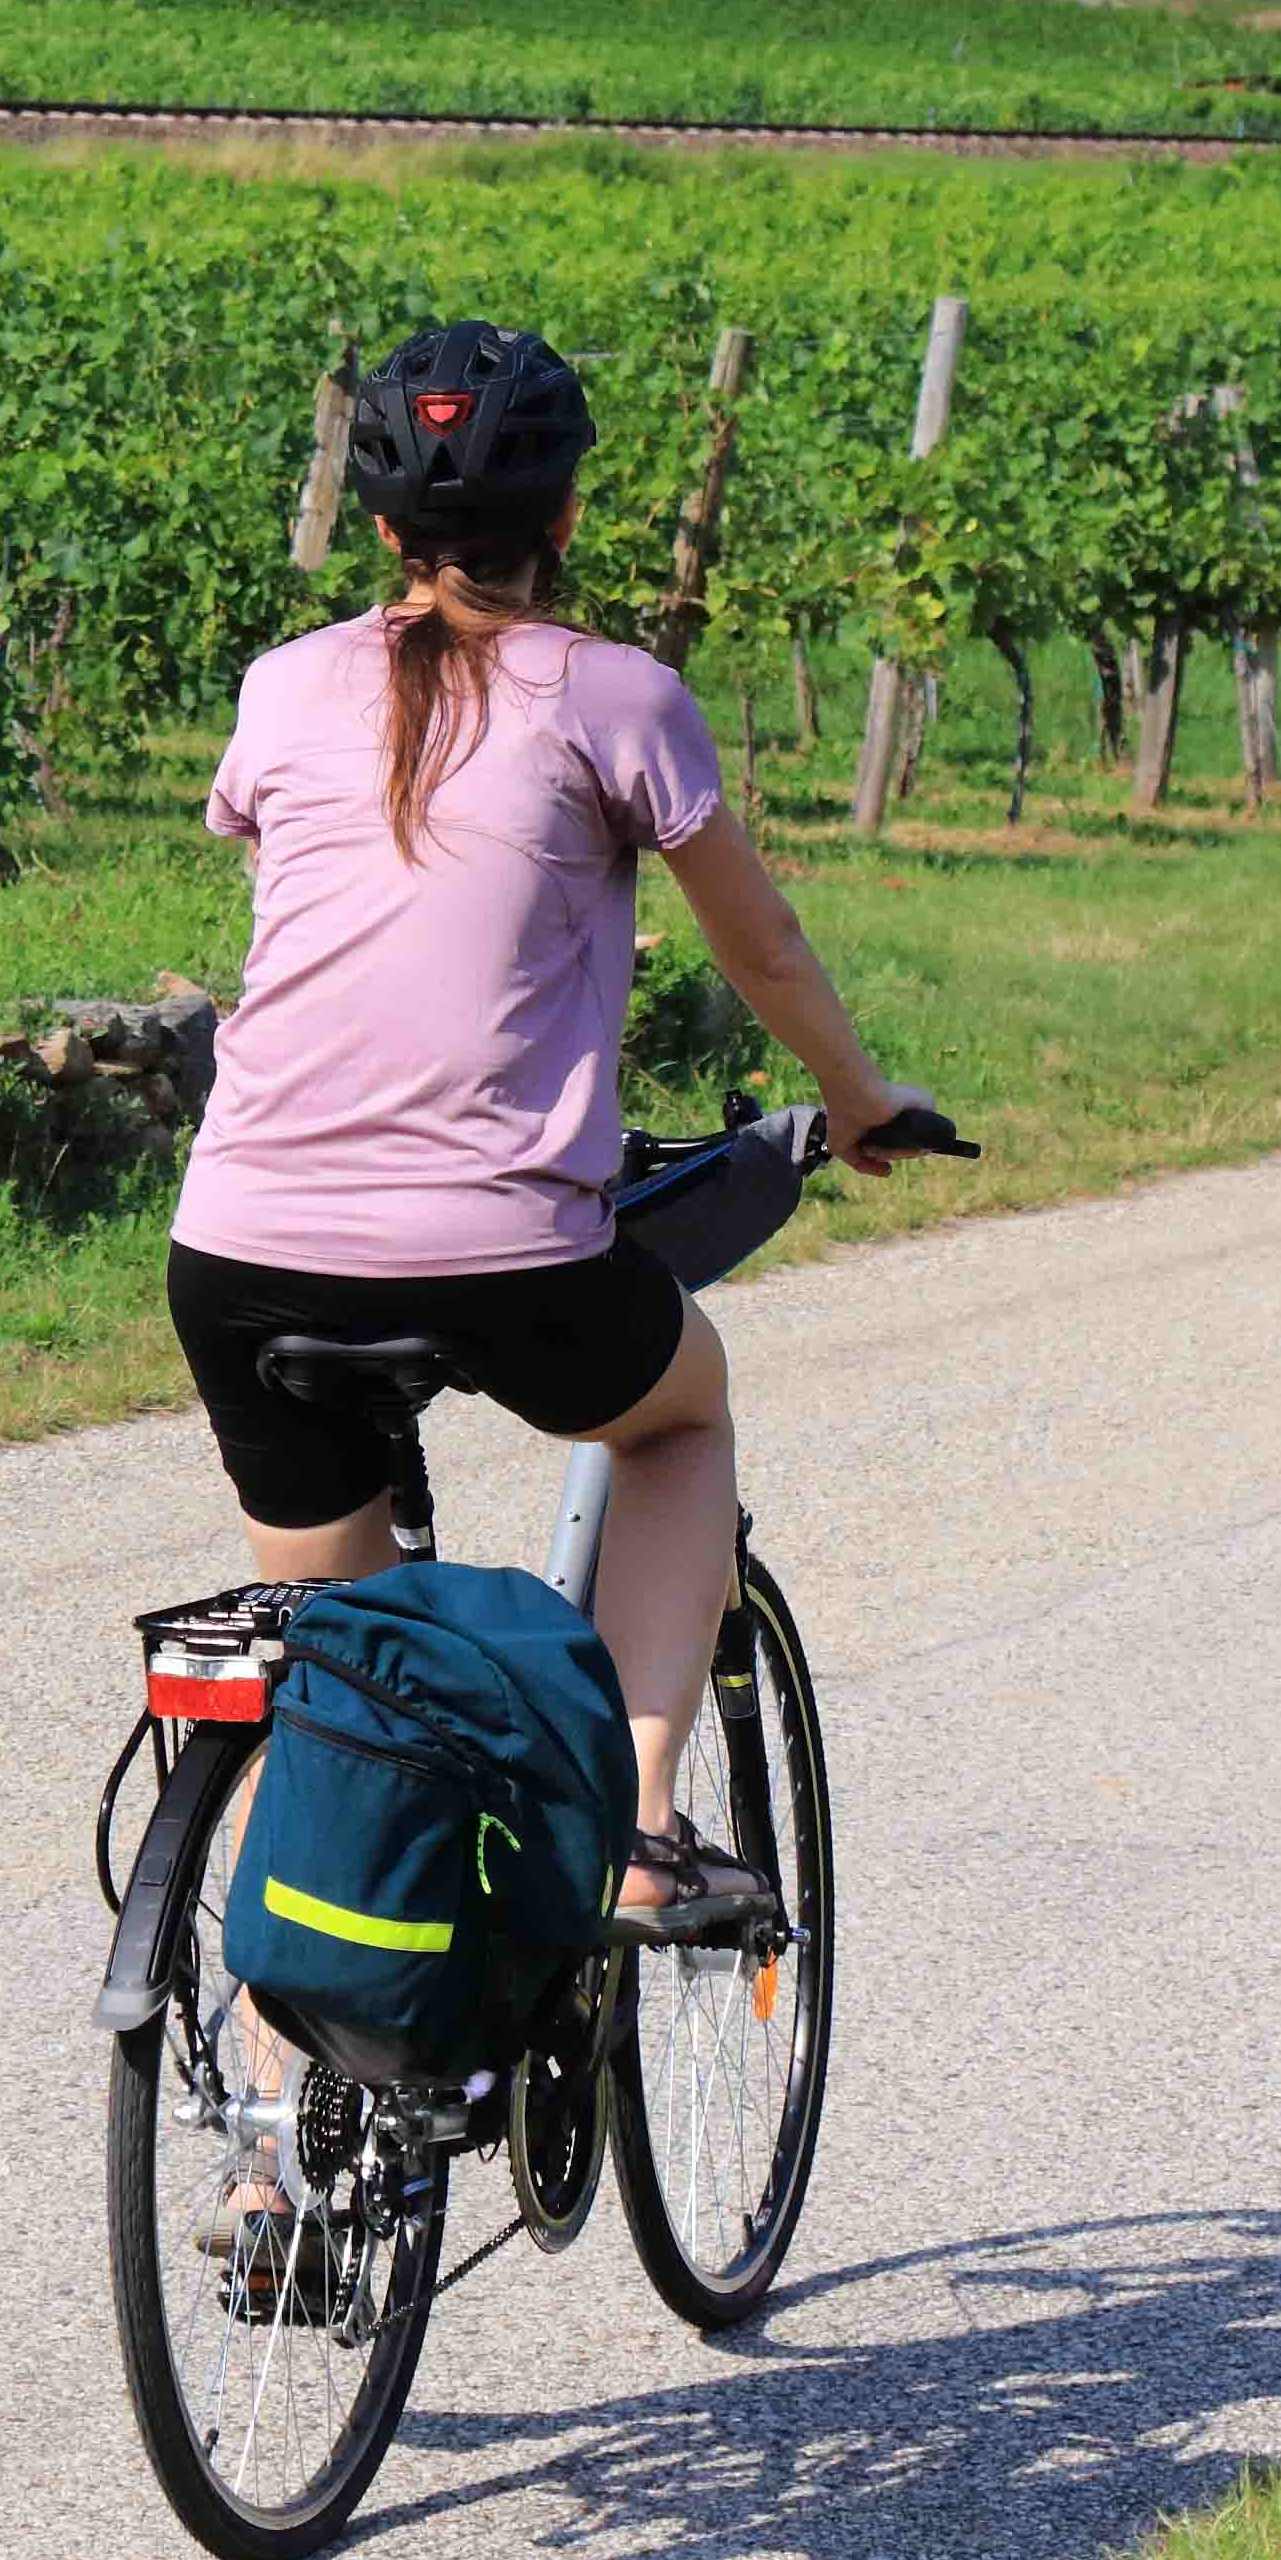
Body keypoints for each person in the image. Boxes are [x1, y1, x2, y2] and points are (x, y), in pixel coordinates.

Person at [168, 319, 948, 1910]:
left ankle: (269, 2147)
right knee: (680, 1420)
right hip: (496, 1246)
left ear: (379, 524)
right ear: (570, 519)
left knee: (341, 1678)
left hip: (238, 1248)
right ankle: (645, 1829)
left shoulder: (279, 688)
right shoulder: (618, 695)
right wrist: (859, 1102)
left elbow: (324, 909)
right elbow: (763, 944)